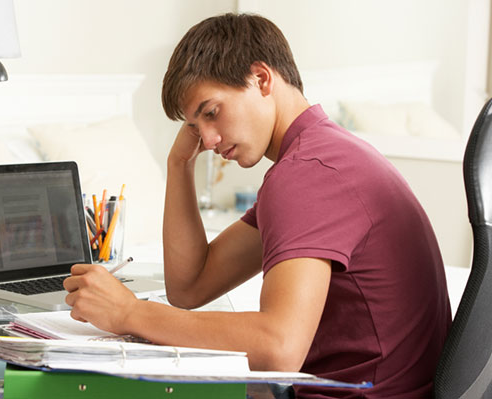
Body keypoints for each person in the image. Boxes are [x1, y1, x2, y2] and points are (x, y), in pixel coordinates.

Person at [63, 13, 451, 398]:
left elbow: (278, 349)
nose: (209, 140)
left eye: (212, 112)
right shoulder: (325, 156)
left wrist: (130, 314)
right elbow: (190, 287)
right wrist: (179, 165)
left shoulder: (305, 175)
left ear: (261, 78)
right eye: (196, 127)